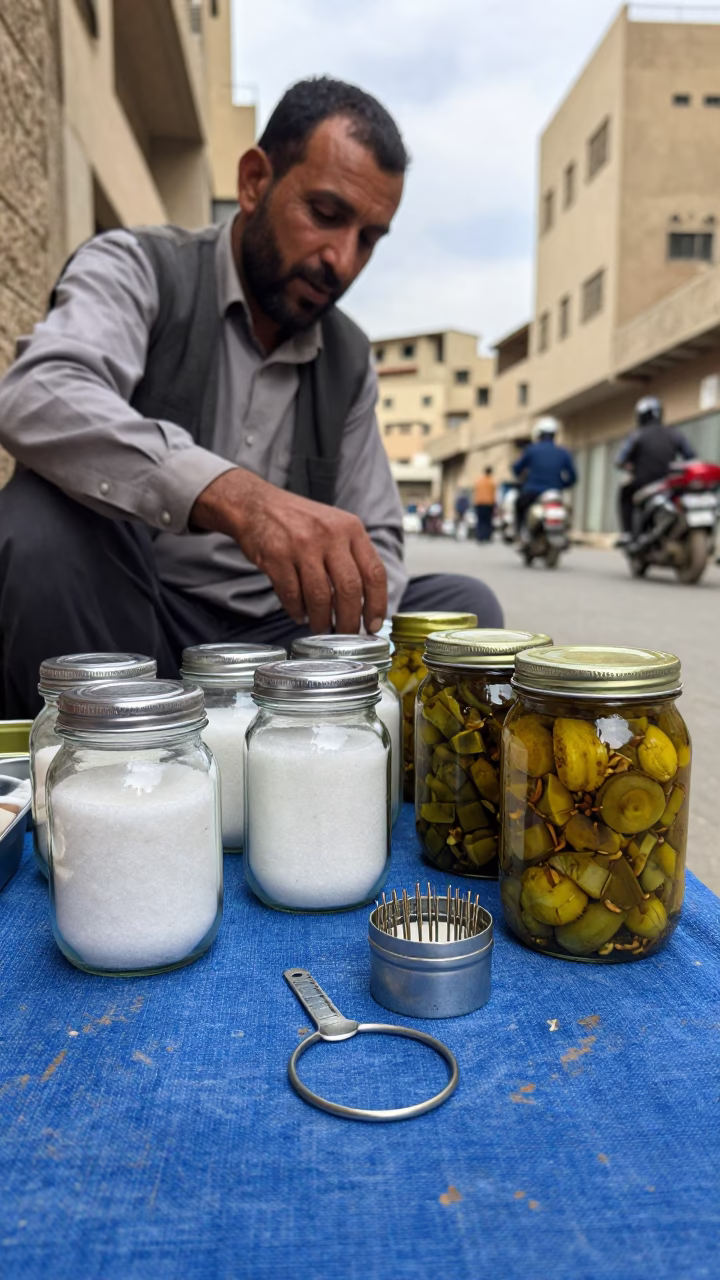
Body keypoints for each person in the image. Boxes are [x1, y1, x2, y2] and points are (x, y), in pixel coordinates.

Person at [0, 78, 502, 718]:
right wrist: (239, 499)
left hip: (281, 642)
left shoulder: (347, 356)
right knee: (38, 530)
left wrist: (346, 652)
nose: (341, 261)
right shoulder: (138, 268)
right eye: (325, 215)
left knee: (468, 613)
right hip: (132, 618)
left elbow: (376, 537)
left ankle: (330, 759)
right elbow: (41, 392)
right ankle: (100, 768)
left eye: (369, 238)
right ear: (254, 182)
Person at [615, 396, 695, 542]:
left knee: (624, 492)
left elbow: (620, 460)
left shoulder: (637, 435)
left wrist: (628, 466)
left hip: (643, 483)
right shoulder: (674, 433)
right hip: (669, 484)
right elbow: (690, 456)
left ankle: (627, 533)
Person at [512, 418, 576, 535]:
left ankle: (519, 533)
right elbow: (573, 476)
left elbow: (517, 468)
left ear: (539, 434)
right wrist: (561, 485)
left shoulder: (531, 450)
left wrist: (520, 478)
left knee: (519, 505)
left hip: (533, 492)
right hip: (555, 492)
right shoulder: (563, 452)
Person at [473, 468, 496, 542]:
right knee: (487, 520)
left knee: (480, 520)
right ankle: (487, 536)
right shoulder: (491, 482)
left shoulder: (479, 481)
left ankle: (480, 536)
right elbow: (493, 494)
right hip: (488, 503)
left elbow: (476, 491)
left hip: (479, 503)